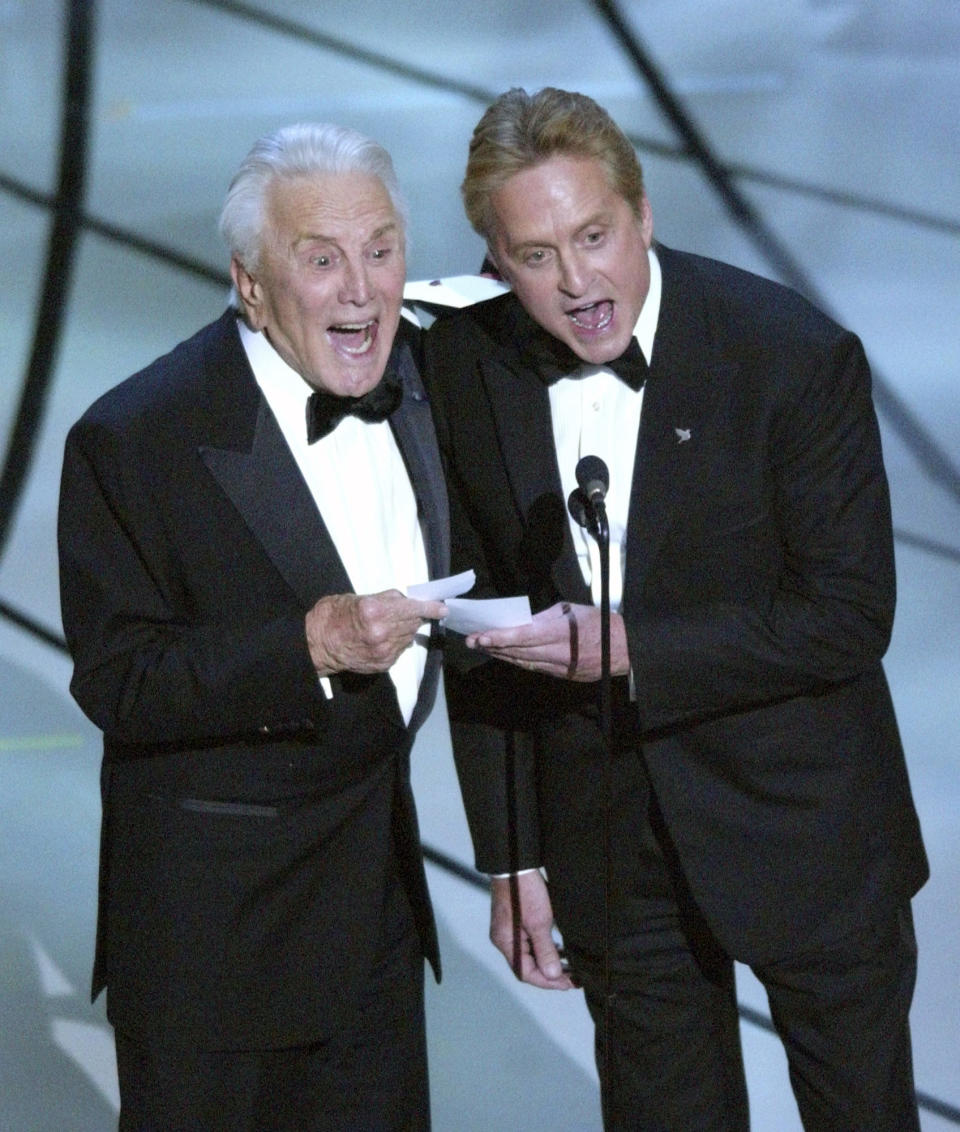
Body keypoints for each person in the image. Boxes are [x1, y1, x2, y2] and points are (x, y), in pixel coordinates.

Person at [423, 87, 928, 1130]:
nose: (576, 283)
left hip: (801, 827)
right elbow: (478, 630)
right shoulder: (469, 367)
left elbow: (846, 613)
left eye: (595, 236)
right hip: (609, 840)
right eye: (534, 255)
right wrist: (514, 854)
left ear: (644, 214)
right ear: (494, 259)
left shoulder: (788, 356)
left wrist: (629, 648)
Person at [58, 122, 449, 1131]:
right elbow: (121, 678)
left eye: (381, 249)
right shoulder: (136, 436)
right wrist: (304, 646)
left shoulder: (429, 385)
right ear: (251, 284)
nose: (362, 290)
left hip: (376, 934)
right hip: (217, 951)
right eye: (320, 260)